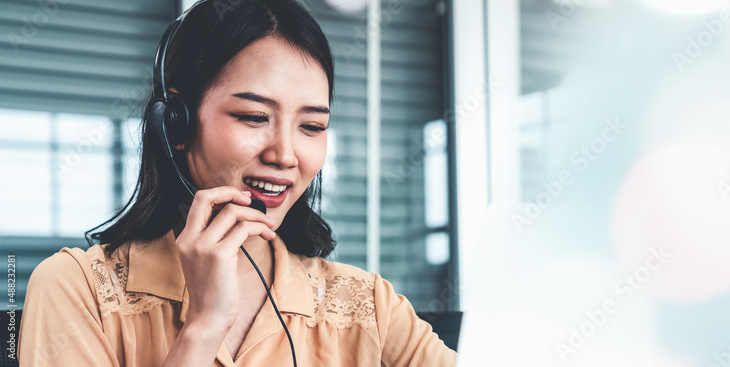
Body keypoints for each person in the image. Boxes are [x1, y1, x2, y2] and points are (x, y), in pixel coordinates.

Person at [17, 0, 457, 365]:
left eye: (312, 127)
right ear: (177, 125)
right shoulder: (76, 291)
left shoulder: (369, 306)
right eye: (253, 117)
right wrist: (205, 325)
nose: (285, 154)